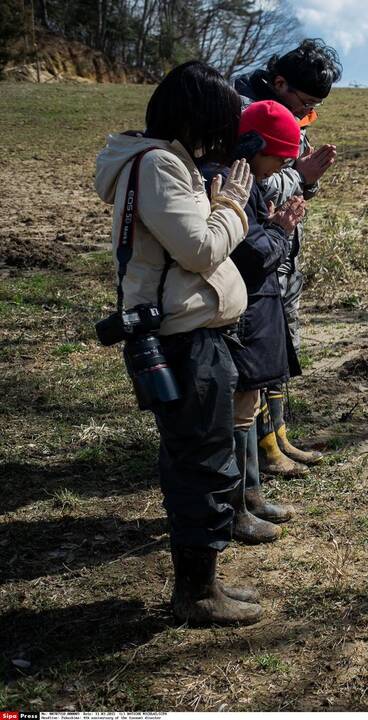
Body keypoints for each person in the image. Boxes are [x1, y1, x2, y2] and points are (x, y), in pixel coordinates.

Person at [95, 61, 260, 626]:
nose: (225, 135)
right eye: (220, 121)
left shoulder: (160, 162)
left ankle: (204, 581)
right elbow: (200, 251)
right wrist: (232, 206)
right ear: (198, 119)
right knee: (201, 463)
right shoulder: (161, 165)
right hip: (185, 342)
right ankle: (196, 593)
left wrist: (215, 208)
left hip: (192, 336)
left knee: (200, 456)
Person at [199, 100, 306, 545]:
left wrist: (273, 228)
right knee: (238, 412)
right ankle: (239, 505)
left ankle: (252, 495)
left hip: (256, 310)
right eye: (277, 158)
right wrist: (279, 232)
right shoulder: (224, 180)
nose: (278, 169)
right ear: (253, 145)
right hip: (240, 313)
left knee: (248, 405)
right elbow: (250, 251)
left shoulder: (247, 180)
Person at [234, 39, 342, 477]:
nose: (304, 118)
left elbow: (292, 181)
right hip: (257, 250)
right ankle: (262, 446)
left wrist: (308, 179)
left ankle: (278, 434)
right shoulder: (244, 115)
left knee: (282, 346)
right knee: (260, 351)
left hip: (283, 247)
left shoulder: (287, 115)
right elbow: (254, 187)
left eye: (312, 112)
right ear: (280, 83)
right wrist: (299, 175)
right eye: (304, 105)